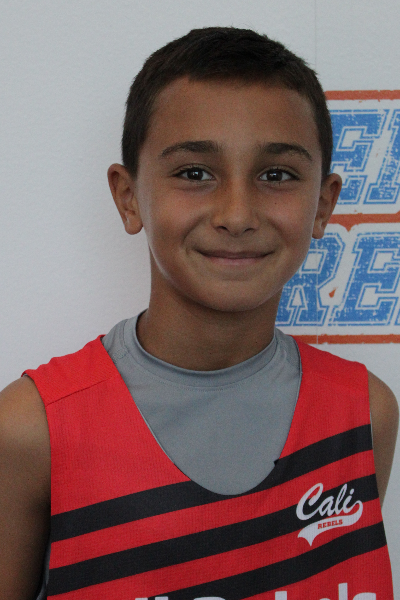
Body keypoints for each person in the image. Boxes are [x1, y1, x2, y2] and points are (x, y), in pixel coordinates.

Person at [0, 26, 398, 600]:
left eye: (277, 175)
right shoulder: (32, 429)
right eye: (194, 173)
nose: (237, 214)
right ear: (128, 197)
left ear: (323, 204)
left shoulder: (364, 414)